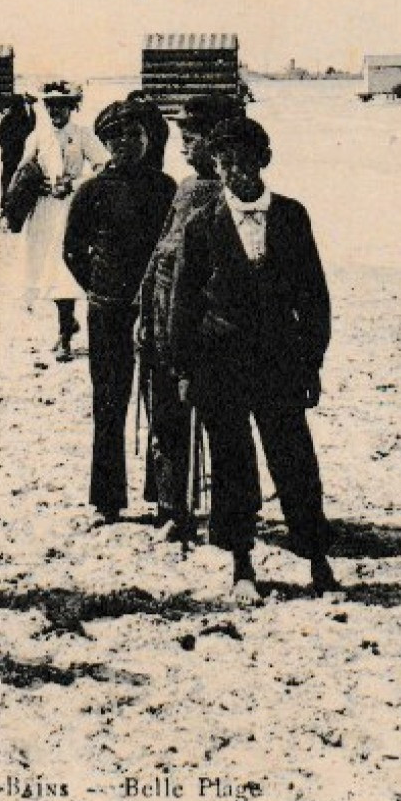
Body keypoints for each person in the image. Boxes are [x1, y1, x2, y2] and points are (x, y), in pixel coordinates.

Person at [169, 117, 338, 603]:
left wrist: (312, 362)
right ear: (215, 166)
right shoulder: (202, 225)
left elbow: (315, 296)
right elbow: (185, 301)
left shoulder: (291, 216)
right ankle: (242, 563)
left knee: (295, 460)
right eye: (225, 163)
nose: (235, 172)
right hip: (221, 364)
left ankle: (316, 558)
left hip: (281, 362)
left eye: (245, 161)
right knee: (232, 463)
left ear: (264, 160)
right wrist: (185, 368)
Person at [135, 94, 244, 542]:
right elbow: (161, 250)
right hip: (164, 320)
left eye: (193, 138)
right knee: (166, 417)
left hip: (203, 327)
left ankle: (228, 514)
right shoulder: (183, 189)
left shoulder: (228, 197)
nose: (184, 146)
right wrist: (144, 311)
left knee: (219, 421)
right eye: (182, 137)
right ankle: (172, 507)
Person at [62, 101, 176, 525]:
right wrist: (98, 289)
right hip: (108, 312)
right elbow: (72, 250)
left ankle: (166, 498)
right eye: (117, 138)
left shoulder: (166, 188)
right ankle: (108, 500)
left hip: (157, 312)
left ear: (149, 139)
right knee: (109, 402)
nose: (127, 144)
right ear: (106, 143)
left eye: (136, 135)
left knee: (162, 401)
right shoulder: (92, 190)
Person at [15, 82, 109, 360]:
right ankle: (67, 323)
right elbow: (22, 170)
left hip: (71, 209)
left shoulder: (81, 135)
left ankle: (65, 333)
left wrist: (76, 183)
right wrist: (36, 186)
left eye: (61, 105)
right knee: (46, 269)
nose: (55, 110)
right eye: (50, 105)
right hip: (44, 211)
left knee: (64, 269)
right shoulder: (37, 136)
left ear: (71, 107)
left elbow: (103, 166)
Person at [0, 94, 36, 206]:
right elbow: (32, 127)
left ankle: (5, 202)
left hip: (8, 157)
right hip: (20, 156)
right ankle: (15, 203)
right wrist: (31, 107)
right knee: (18, 181)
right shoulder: (24, 119)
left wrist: (6, 146)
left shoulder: (7, 119)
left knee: (7, 180)